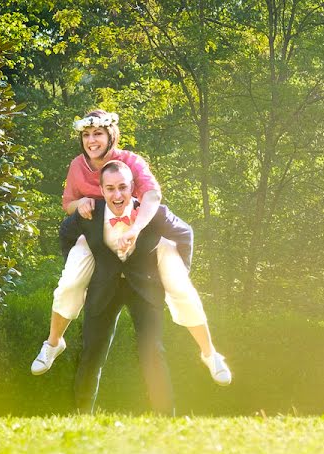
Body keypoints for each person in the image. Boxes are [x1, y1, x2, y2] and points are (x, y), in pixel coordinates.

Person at [30, 109, 231, 385]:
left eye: (98, 134)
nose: (92, 140)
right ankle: (53, 343)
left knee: (181, 287)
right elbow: (68, 204)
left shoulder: (130, 161)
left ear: (110, 135)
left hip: (145, 237)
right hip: (98, 237)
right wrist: (82, 204)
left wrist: (136, 229)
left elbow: (153, 195)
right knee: (69, 282)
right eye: (86, 135)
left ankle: (209, 353)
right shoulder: (77, 165)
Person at [62, 160, 192, 413]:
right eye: (110, 188)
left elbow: (185, 234)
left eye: (123, 187)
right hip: (102, 288)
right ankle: (81, 416)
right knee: (91, 353)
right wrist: (81, 276)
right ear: (101, 190)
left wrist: (176, 276)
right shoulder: (90, 214)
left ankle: (166, 417)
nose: (117, 194)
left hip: (145, 288)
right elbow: (66, 233)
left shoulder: (154, 213)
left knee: (153, 351)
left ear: (133, 187)